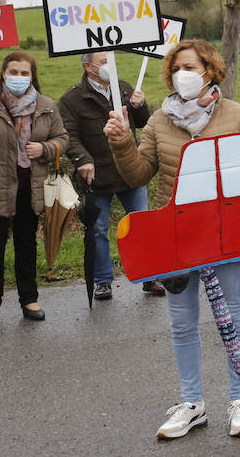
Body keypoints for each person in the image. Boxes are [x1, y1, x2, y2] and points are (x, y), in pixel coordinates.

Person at [105, 39, 240, 437]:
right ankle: (192, 403)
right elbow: (139, 175)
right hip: (174, 235)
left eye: (190, 66)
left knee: (235, 315)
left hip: (226, 234)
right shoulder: (160, 119)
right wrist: (122, 141)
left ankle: (239, 399)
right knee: (181, 323)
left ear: (209, 70)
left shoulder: (238, 115)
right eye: (177, 67)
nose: (182, 74)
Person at [0, 51, 68, 327]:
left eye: (24, 73)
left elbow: (62, 138)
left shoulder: (46, 106)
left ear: (32, 76)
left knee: (26, 244)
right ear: (3, 73)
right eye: (13, 72)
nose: (18, 78)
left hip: (30, 187)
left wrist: (44, 148)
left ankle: (29, 300)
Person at [58, 51, 153, 300]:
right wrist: (83, 160)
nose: (110, 66)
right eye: (103, 62)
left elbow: (143, 122)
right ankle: (102, 281)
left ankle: (150, 276)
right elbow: (69, 136)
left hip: (129, 171)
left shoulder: (123, 88)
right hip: (95, 177)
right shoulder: (72, 99)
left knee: (142, 224)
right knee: (98, 230)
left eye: (111, 61)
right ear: (89, 67)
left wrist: (139, 105)